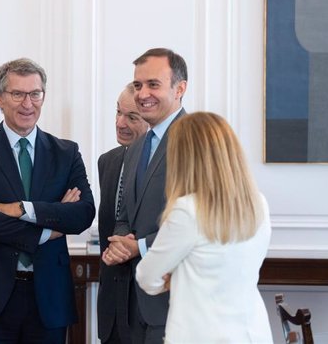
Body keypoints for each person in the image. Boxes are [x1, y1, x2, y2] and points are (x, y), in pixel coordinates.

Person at [0, 58, 96, 344]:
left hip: (49, 298)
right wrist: (50, 228)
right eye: (17, 94)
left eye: (35, 94)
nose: (27, 104)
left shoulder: (66, 153)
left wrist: (24, 210)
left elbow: (83, 214)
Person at [136, 112, 273, 343]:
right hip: (252, 334)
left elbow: (147, 276)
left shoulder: (187, 210)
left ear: (186, 157)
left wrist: (175, 278)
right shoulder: (258, 203)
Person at [102, 48, 188, 344]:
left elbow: (200, 222)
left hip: (175, 304)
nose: (142, 93)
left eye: (153, 84)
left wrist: (138, 246)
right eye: (138, 85)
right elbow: (126, 214)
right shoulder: (138, 145)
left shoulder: (195, 141)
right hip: (132, 307)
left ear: (180, 89)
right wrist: (121, 244)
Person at [97, 83, 148, 343]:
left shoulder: (166, 165)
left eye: (131, 117)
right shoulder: (107, 161)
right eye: (118, 113)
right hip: (111, 308)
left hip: (147, 306)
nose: (120, 123)